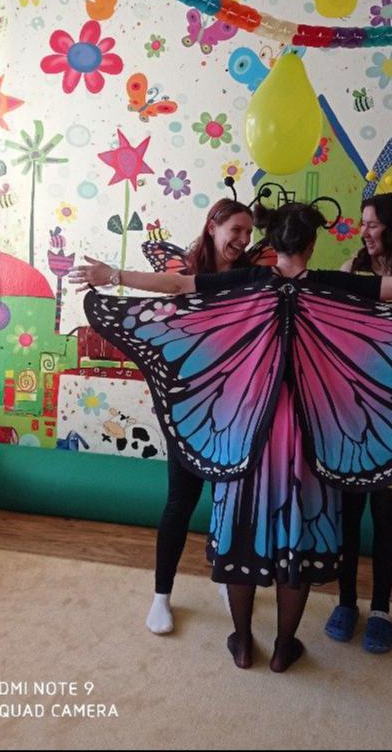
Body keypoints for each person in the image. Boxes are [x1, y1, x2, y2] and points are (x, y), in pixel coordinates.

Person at [70, 202, 392, 672]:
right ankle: (285, 646)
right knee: (298, 533)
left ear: (272, 242)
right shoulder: (330, 285)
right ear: (311, 243)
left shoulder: (246, 282)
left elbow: (178, 286)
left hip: (247, 429)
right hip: (308, 431)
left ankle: (242, 642)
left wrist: (113, 275)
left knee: (242, 530)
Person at [144, 198, 255, 635]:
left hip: (237, 409)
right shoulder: (185, 275)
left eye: (249, 233)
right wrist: (111, 277)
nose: (243, 239)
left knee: (229, 503)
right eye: (236, 230)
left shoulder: (250, 277)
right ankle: (161, 595)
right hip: (189, 409)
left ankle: (226, 579)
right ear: (213, 226)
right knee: (180, 502)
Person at [326, 193, 392, 654]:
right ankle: (346, 602)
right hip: (351, 415)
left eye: (373, 224)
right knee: (348, 516)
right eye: (362, 223)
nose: (363, 231)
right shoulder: (353, 269)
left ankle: (381, 609)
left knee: (387, 516)